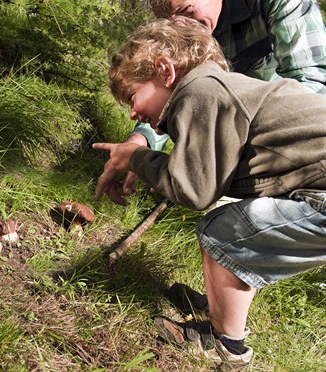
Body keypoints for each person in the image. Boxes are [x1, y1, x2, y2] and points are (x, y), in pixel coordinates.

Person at [93, 16, 326, 370]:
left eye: (132, 96)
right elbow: (206, 175)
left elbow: (194, 190)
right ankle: (219, 308)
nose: (132, 113)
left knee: (223, 233)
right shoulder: (215, 88)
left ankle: (226, 344)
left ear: (165, 71)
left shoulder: (199, 93)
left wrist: (138, 158)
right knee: (238, 229)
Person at [102, 0, 326, 206]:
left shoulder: (278, 3)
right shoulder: (190, 42)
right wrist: (144, 139)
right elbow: (172, 98)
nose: (182, 25)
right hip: (275, 161)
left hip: (302, 159)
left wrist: (147, 161)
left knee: (222, 229)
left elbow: (314, 82)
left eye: (185, 11)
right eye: (170, 20)